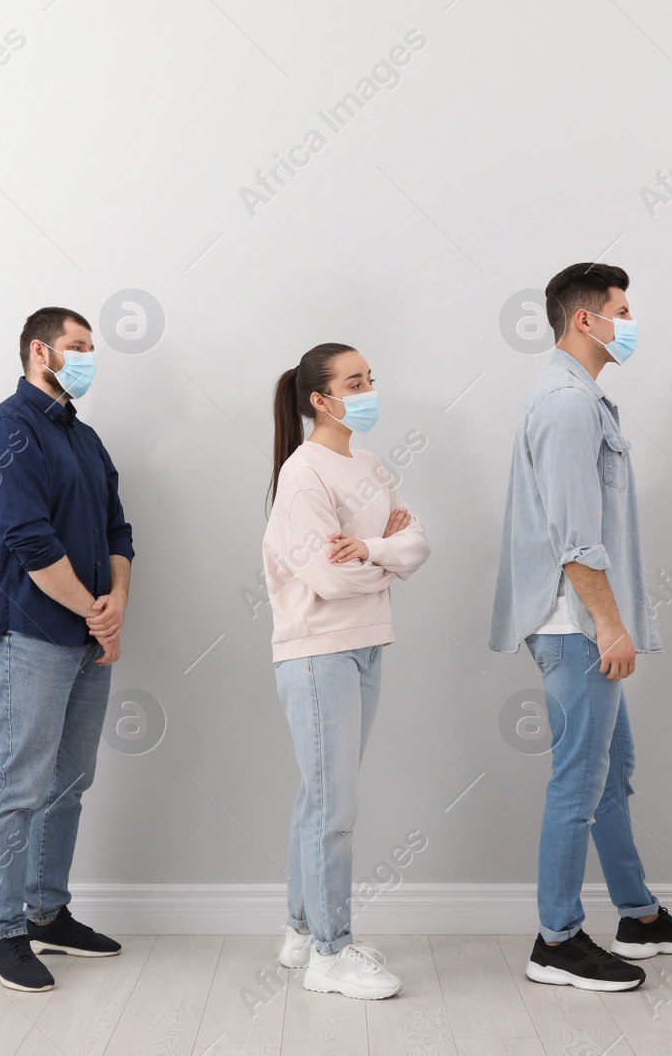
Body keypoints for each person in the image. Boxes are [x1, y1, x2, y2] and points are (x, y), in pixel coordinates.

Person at [491, 263, 672, 994]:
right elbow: (575, 536)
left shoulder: (585, 399)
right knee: (578, 781)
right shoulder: (566, 404)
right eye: (621, 308)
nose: (630, 320)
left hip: (584, 622)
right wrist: (609, 626)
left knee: (610, 772)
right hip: (575, 624)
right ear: (584, 320)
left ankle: (637, 913)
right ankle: (556, 939)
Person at [0, 307, 133, 992]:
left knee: (71, 780)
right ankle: (2, 932)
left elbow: (119, 529)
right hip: (36, 630)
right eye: (77, 346)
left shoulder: (86, 438)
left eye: (92, 347)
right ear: (40, 351)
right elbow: (28, 541)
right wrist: (95, 613)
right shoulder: (7, 428)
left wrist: (116, 602)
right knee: (21, 781)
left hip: (91, 632)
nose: (88, 357)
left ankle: (46, 911)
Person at [263, 343, 430, 1000]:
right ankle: (331, 954)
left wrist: (375, 547)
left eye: (370, 379)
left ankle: (302, 931)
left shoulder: (369, 463)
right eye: (354, 382)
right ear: (319, 399)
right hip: (317, 651)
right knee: (335, 804)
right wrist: (381, 558)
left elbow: (419, 540)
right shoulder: (305, 474)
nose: (367, 391)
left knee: (320, 795)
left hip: (365, 645)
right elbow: (329, 577)